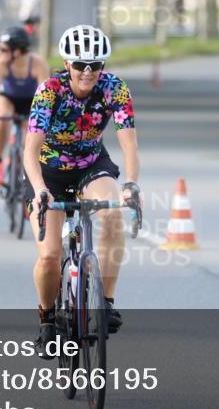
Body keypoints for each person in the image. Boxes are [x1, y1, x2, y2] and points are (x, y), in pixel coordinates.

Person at [24, 25, 140, 356]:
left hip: (91, 164)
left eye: (95, 65)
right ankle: (47, 319)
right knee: (49, 256)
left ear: (103, 66)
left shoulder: (115, 89)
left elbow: (129, 144)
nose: (87, 73)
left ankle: (105, 302)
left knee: (113, 213)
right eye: (79, 65)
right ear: (66, 63)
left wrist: (130, 185)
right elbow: (30, 150)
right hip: (49, 172)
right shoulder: (50, 91)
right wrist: (39, 189)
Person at [0, 26, 50, 186]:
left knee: (32, 136)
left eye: (4, 49)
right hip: (9, 99)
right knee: (3, 118)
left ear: (18, 51)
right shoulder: (0, 64)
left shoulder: (38, 63)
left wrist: (43, 122)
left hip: (31, 101)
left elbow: (47, 97)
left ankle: (27, 168)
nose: (0, 53)